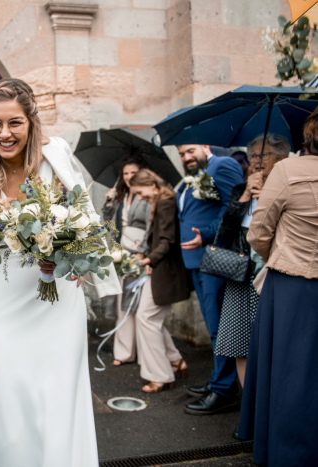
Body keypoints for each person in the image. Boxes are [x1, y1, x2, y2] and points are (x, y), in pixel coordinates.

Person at [0, 78, 121, 466]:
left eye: (15, 123)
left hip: (58, 297)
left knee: (59, 394)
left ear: (31, 123)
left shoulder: (56, 156)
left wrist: (66, 252)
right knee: (10, 396)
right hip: (4, 301)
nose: (5, 134)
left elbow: (84, 220)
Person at [237, 114, 318, 466]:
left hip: (291, 284)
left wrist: (278, 255)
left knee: (289, 371)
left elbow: (257, 233)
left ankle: (287, 453)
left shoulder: (288, 171)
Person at [215, 134, 289, 391]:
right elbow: (224, 231)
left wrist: (266, 196)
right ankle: (249, 410)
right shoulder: (240, 189)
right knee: (239, 342)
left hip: (271, 274)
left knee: (271, 344)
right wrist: (246, 194)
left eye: (263, 154)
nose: (257, 161)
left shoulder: (286, 188)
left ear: (281, 158)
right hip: (240, 273)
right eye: (253, 156)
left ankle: (268, 408)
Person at [176, 144, 244, 415]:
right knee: (213, 326)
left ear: (205, 146)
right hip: (197, 260)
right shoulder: (198, 174)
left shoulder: (222, 165)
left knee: (220, 327)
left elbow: (235, 205)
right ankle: (218, 380)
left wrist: (205, 233)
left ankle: (224, 391)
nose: (186, 157)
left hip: (215, 257)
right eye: (181, 154)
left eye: (190, 150)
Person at [128, 169, 189, 392]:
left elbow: (167, 241)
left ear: (152, 184)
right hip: (159, 268)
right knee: (149, 318)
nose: (140, 198)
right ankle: (174, 360)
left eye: (140, 192)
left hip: (165, 270)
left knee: (146, 317)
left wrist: (148, 261)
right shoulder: (162, 199)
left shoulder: (164, 202)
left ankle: (161, 375)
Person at [101, 157, 151, 365]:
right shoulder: (121, 197)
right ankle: (123, 352)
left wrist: (143, 254)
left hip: (140, 253)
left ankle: (142, 352)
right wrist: (108, 204)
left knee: (139, 304)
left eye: (133, 172)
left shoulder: (146, 197)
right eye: (126, 173)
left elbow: (150, 226)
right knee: (122, 303)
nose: (129, 177)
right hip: (121, 252)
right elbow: (106, 224)